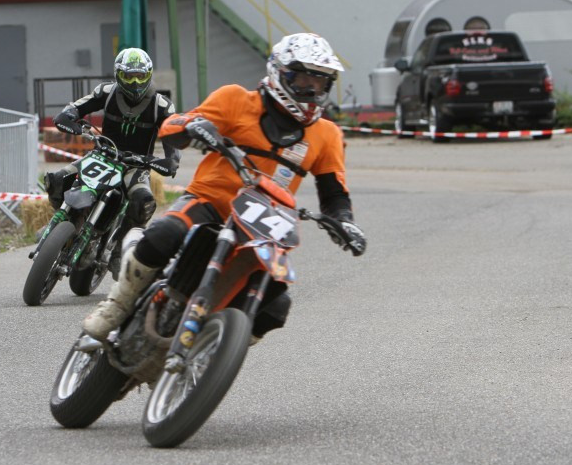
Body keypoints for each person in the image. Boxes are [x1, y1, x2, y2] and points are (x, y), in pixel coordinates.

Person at [81, 33, 367, 342]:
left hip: (263, 226)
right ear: (279, 73)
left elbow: (334, 193)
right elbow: (172, 127)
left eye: (320, 82)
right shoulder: (236, 100)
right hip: (209, 201)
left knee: (276, 305)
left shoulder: (327, 135)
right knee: (164, 233)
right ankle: (117, 305)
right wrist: (191, 127)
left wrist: (345, 222)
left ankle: (212, 355)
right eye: (302, 79)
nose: (311, 89)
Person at [47, 47, 181, 271]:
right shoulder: (106, 92)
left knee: (144, 202)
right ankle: (66, 225)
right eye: (129, 76)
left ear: (149, 75)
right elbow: (72, 110)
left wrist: (168, 161)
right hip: (101, 155)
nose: (136, 82)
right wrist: (71, 120)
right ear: (119, 74)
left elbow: (174, 142)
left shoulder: (162, 106)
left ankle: (119, 249)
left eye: (140, 75)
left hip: (136, 165)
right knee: (57, 180)